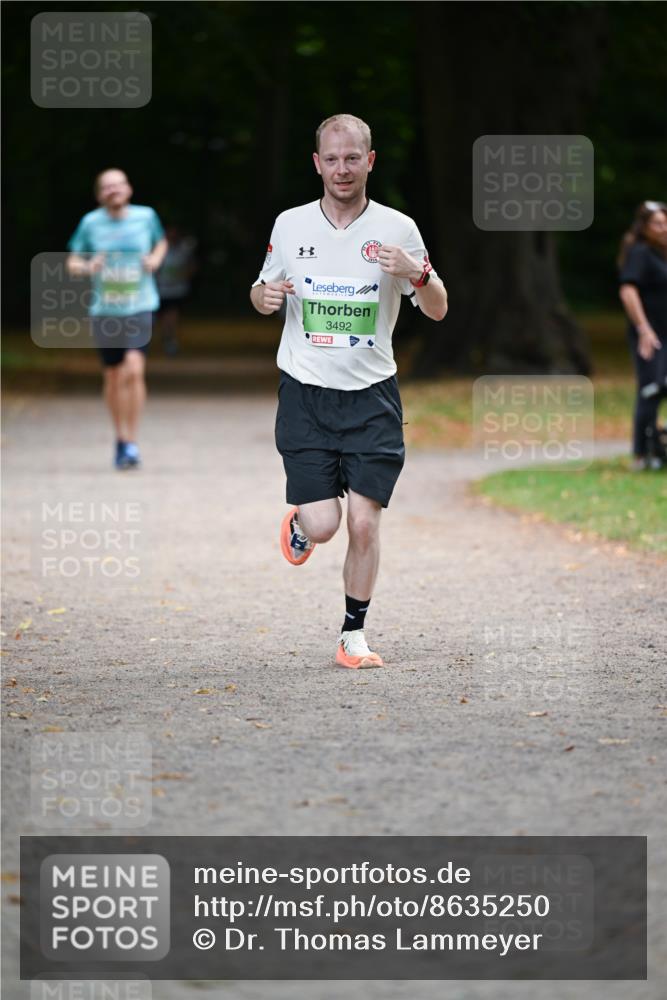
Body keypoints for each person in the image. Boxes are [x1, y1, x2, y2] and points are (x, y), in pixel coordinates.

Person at [250, 113, 447, 669]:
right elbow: (264, 286)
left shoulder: (398, 228)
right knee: (325, 525)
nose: (342, 168)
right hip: (306, 394)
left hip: (372, 397)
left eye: (352, 157)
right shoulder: (290, 225)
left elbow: (438, 309)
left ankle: (352, 635)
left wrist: (418, 274)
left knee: (364, 522)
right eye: (331, 159)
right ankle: (302, 522)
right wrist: (261, 298)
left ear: (370, 161)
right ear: (317, 163)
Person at [67, 169, 167, 469]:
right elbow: (73, 261)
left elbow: (160, 243)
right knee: (112, 376)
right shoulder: (90, 223)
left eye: (118, 185)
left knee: (133, 371)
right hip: (106, 309)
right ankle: (120, 438)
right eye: (107, 187)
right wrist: (88, 267)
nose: (113, 190)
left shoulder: (146, 217)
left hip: (140, 304)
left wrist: (155, 260)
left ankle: (132, 442)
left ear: (129, 188)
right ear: (100, 194)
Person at [618, 200, 667, 470]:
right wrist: (643, 328)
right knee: (650, 389)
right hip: (651, 335)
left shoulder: (662, 255)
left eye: (666, 222)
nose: (664, 228)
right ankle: (641, 453)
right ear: (644, 228)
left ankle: (658, 446)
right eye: (657, 224)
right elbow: (628, 290)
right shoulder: (640, 254)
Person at [155, 225, 198, 355]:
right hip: (161, 290)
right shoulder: (158, 250)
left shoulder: (183, 250)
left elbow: (192, 266)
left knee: (172, 315)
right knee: (164, 317)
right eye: (169, 234)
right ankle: (167, 336)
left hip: (178, 290)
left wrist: (183, 276)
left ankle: (170, 338)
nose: (172, 236)